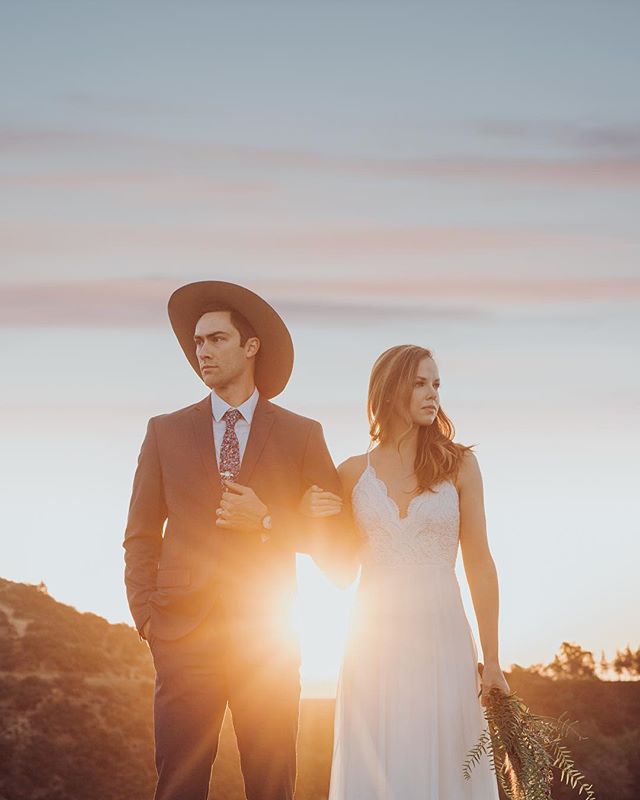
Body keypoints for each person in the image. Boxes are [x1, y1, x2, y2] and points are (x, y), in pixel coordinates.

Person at [123, 280, 350, 800]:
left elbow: (335, 542)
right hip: (181, 636)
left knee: (272, 786)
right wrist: (148, 618)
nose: (203, 351)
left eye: (217, 339)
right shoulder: (164, 431)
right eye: (198, 342)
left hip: (266, 640)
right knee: (178, 784)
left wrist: (270, 520)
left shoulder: (302, 435)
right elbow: (139, 534)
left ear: (251, 347)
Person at [300, 344, 510, 799]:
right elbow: (338, 572)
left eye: (436, 384)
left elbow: (479, 561)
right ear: (390, 389)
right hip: (373, 641)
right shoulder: (352, 473)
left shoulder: (459, 465)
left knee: (448, 756)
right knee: (382, 759)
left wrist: (491, 660)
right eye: (419, 383)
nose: (432, 393)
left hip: (443, 634)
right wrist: (309, 516)